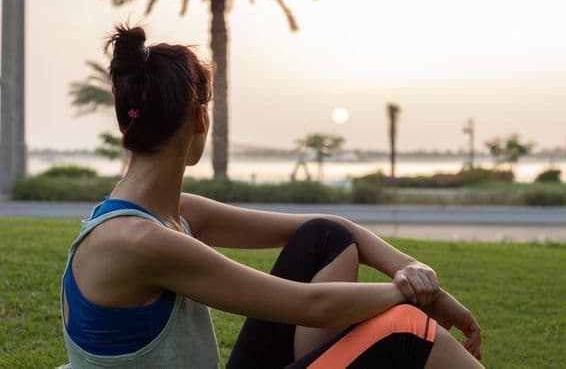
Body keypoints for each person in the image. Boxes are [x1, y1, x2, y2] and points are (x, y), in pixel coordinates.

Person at [60, 24, 483, 369]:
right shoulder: (141, 242)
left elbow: (336, 229)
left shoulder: (166, 216)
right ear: (200, 118)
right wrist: (411, 293)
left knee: (324, 238)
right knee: (408, 330)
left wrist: (411, 269)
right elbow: (313, 305)